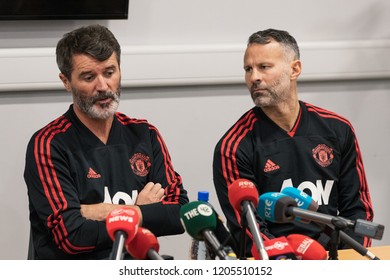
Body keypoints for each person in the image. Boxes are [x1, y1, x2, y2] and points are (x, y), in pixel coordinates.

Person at [24, 24, 189, 259]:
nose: (102, 87)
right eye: (89, 77)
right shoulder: (48, 144)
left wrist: (105, 212)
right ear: (66, 81)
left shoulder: (145, 134)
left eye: (109, 73)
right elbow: (72, 236)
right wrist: (141, 211)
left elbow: (179, 213)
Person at [213, 28, 374, 258]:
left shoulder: (338, 129)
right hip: (274, 262)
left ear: (294, 69)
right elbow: (250, 230)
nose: (254, 77)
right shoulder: (233, 146)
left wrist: (346, 263)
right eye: (248, 69)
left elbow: (358, 212)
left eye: (264, 67)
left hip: (332, 258)